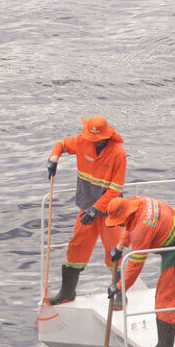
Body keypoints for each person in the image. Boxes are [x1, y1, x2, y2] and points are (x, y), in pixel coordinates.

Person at [105, 196, 175, 347]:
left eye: (119, 222)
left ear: (126, 216)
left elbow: (135, 265)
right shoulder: (139, 202)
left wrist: (118, 287)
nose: (120, 225)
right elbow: (129, 225)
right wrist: (120, 246)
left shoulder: (141, 229)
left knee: (165, 298)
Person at [46, 116, 127, 305]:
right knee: (76, 248)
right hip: (86, 209)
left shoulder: (118, 153)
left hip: (110, 213)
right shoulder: (82, 142)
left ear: (106, 136)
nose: (91, 139)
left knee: (114, 252)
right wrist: (54, 158)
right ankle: (67, 293)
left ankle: (120, 296)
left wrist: (96, 209)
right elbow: (61, 144)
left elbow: (115, 189)